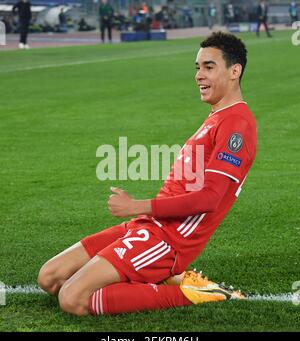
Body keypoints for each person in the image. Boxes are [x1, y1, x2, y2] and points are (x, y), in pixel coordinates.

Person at [38, 31, 257, 316]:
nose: (199, 76)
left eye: (209, 67)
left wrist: (136, 205)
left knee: (73, 299)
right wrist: (143, 214)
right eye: (197, 67)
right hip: (150, 226)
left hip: (169, 240)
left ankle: (193, 294)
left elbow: (210, 199)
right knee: (50, 277)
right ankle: (157, 275)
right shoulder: (218, 116)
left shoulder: (236, 124)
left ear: (234, 71)